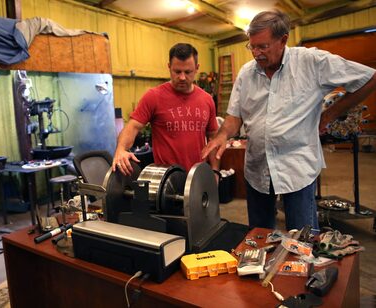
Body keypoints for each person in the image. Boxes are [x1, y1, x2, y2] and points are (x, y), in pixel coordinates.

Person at [202, 10, 376, 231]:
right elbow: (235, 116)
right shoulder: (247, 74)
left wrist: (330, 115)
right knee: (259, 237)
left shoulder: (312, 62)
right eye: (252, 46)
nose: (256, 53)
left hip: (297, 168)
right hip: (258, 169)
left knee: (302, 241)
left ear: (283, 40)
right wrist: (223, 135)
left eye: (263, 46)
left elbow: (369, 78)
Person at [113, 43, 219, 176]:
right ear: (169, 67)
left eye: (187, 72)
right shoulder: (153, 97)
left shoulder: (207, 100)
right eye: (177, 71)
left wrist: (215, 171)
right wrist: (121, 149)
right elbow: (133, 126)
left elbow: (213, 137)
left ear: (197, 68)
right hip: (166, 181)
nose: (182, 77)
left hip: (197, 178)